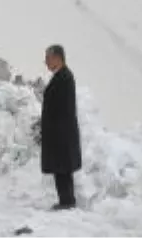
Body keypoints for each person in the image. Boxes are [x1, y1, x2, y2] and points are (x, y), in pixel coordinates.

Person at [40, 44, 81, 210]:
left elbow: (63, 108)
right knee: (62, 168)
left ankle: (67, 201)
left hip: (61, 133)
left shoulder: (64, 78)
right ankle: (66, 199)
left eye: (48, 58)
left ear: (57, 58)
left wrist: (55, 130)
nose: (46, 62)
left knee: (62, 168)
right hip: (60, 132)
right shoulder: (62, 76)